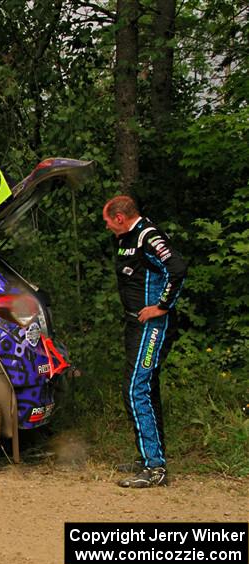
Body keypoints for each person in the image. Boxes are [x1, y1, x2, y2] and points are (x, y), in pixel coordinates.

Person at [102, 195, 187, 488]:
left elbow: (177, 269)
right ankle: (147, 456)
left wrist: (161, 306)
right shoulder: (128, 237)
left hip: (152, 326)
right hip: (134, 324)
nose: (107, 227)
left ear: (121, 218)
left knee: (137, 389)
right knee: (143, 388)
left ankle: (155, 469)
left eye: (108, 221)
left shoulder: (148, 236)